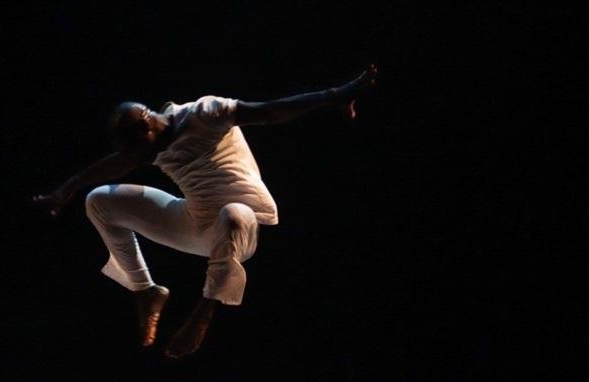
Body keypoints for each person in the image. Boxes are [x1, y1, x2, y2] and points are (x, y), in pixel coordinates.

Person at [33, 65, 378, 357]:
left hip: (242, 226)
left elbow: (272, 110)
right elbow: (113, 165)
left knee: (232, 214)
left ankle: (204, 311)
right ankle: (146, 290)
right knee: (99, 200)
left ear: (147, 124)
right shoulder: (147, 144)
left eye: (138, 149)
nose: (137, 158)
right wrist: (67, 189)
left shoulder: (205, 113)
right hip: (195, 224)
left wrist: (335, 94)